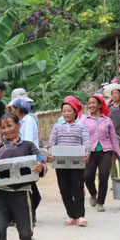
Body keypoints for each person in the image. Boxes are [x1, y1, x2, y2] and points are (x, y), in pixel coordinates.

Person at [47, 96, 90, 227]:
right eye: (64, 111)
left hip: (77, 162)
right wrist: (50, 152)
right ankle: (71, 215)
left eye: (69, 111)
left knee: (78, 188)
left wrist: (87, 153)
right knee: (64, 189)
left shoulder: (81, 127)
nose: (66, 113)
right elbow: (51, 143)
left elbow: (86, 142)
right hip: (61, 163)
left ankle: (80, 216)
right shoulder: (57, 127)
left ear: (75, 112)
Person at [82, 94, 120, 212]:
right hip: (90, 152)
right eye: (89, 103)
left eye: (93, 103)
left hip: (106, 152)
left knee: (104, 176)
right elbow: (82, 138)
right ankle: (93, 193)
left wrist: (119, 153)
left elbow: (113, 139)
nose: (91, 105)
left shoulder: (107, 120)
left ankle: (100, 202)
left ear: (100, 105)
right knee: (88, 177)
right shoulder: (85, 121)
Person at [10, 98, 42, 221]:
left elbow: (27, 140)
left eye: (14, 109)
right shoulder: (22, 121)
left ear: (18, 109)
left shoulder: (28, 120)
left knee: (28, 185)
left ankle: (30, 213)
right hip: (24, 155)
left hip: (27, 156)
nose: (12, 111)